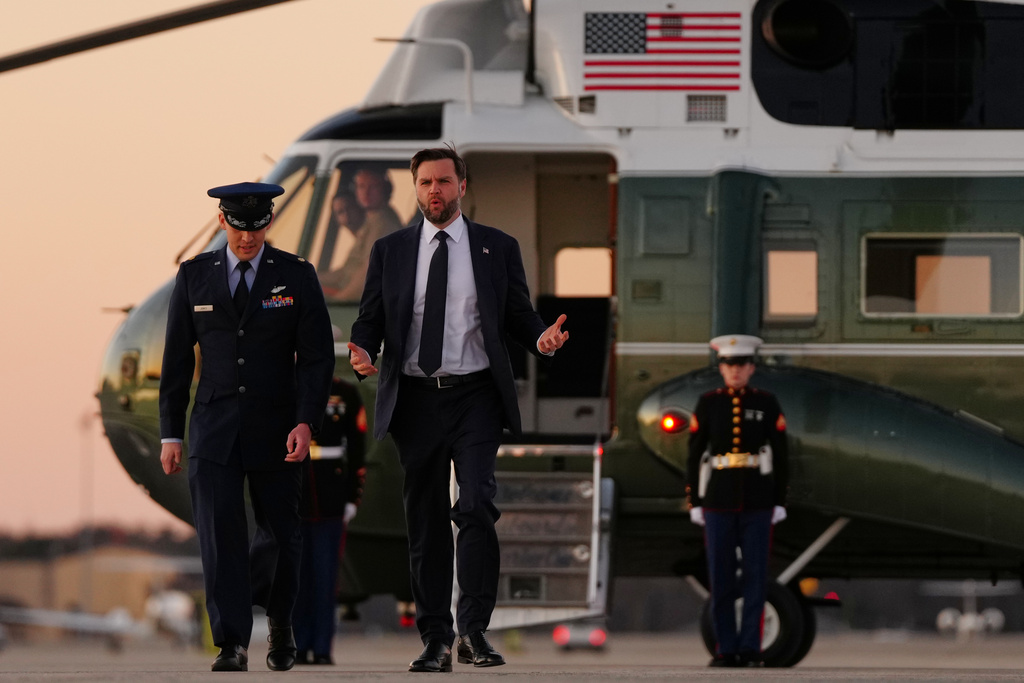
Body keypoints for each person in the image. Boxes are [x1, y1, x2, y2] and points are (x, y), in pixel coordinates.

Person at [348, 146, 569, 673]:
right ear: (415, 188)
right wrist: (363, 351)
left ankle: (473, 630)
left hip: (475, 396)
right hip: (415, 399)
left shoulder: (497, 247)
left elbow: (518, 314)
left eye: (444, 181)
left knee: (475, 505)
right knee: (425, 519)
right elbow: (370, 318)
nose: (435, 191)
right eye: (425, 182)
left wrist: (541, 339)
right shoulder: (390, 250)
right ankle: (435, 639)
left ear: (462, 186)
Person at [159, 181, 335, 672]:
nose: (248, 237)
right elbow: (176, 361)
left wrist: (306, 421)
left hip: (278, 427)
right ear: (222, 222)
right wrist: (171, 434)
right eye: (238, 226)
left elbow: (317, 359)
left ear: (269, 222)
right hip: (213, 428)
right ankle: (231, 642)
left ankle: (280, 622)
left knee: (281, 535)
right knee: (220, 536)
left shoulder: (296, 275)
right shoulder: (194, 276)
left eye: (257, 227)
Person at [686, 334, 789, 668]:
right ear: (721, 368)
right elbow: (694, 455)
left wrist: (779, 500)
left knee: (756, 578)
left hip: (757, 501)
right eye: (729, 364)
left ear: (751, 368)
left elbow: (781, 455)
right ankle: (726, 649)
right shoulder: (708, 404)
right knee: (721, 578)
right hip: (718, 500)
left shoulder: (766, 403)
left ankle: (751, 649)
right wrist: (695, 501)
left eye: (742, 364)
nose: (735, 370)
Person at [293, 369, 367, 666]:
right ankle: (298, 645)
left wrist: (352, 497)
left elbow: (358, 448)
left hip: (331, 496)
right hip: (295, 493)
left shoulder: (345, 393)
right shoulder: (284, 387)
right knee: (297, 578)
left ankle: (322, 647)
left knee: (325, 578)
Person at [318, 190, 368, 300]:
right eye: (340, 212)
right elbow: (344, 273)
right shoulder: (360, 239)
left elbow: (366, 275)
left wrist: (338, 301)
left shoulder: (372, 233)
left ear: (359, 207)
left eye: (349, 208)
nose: (346, 215)